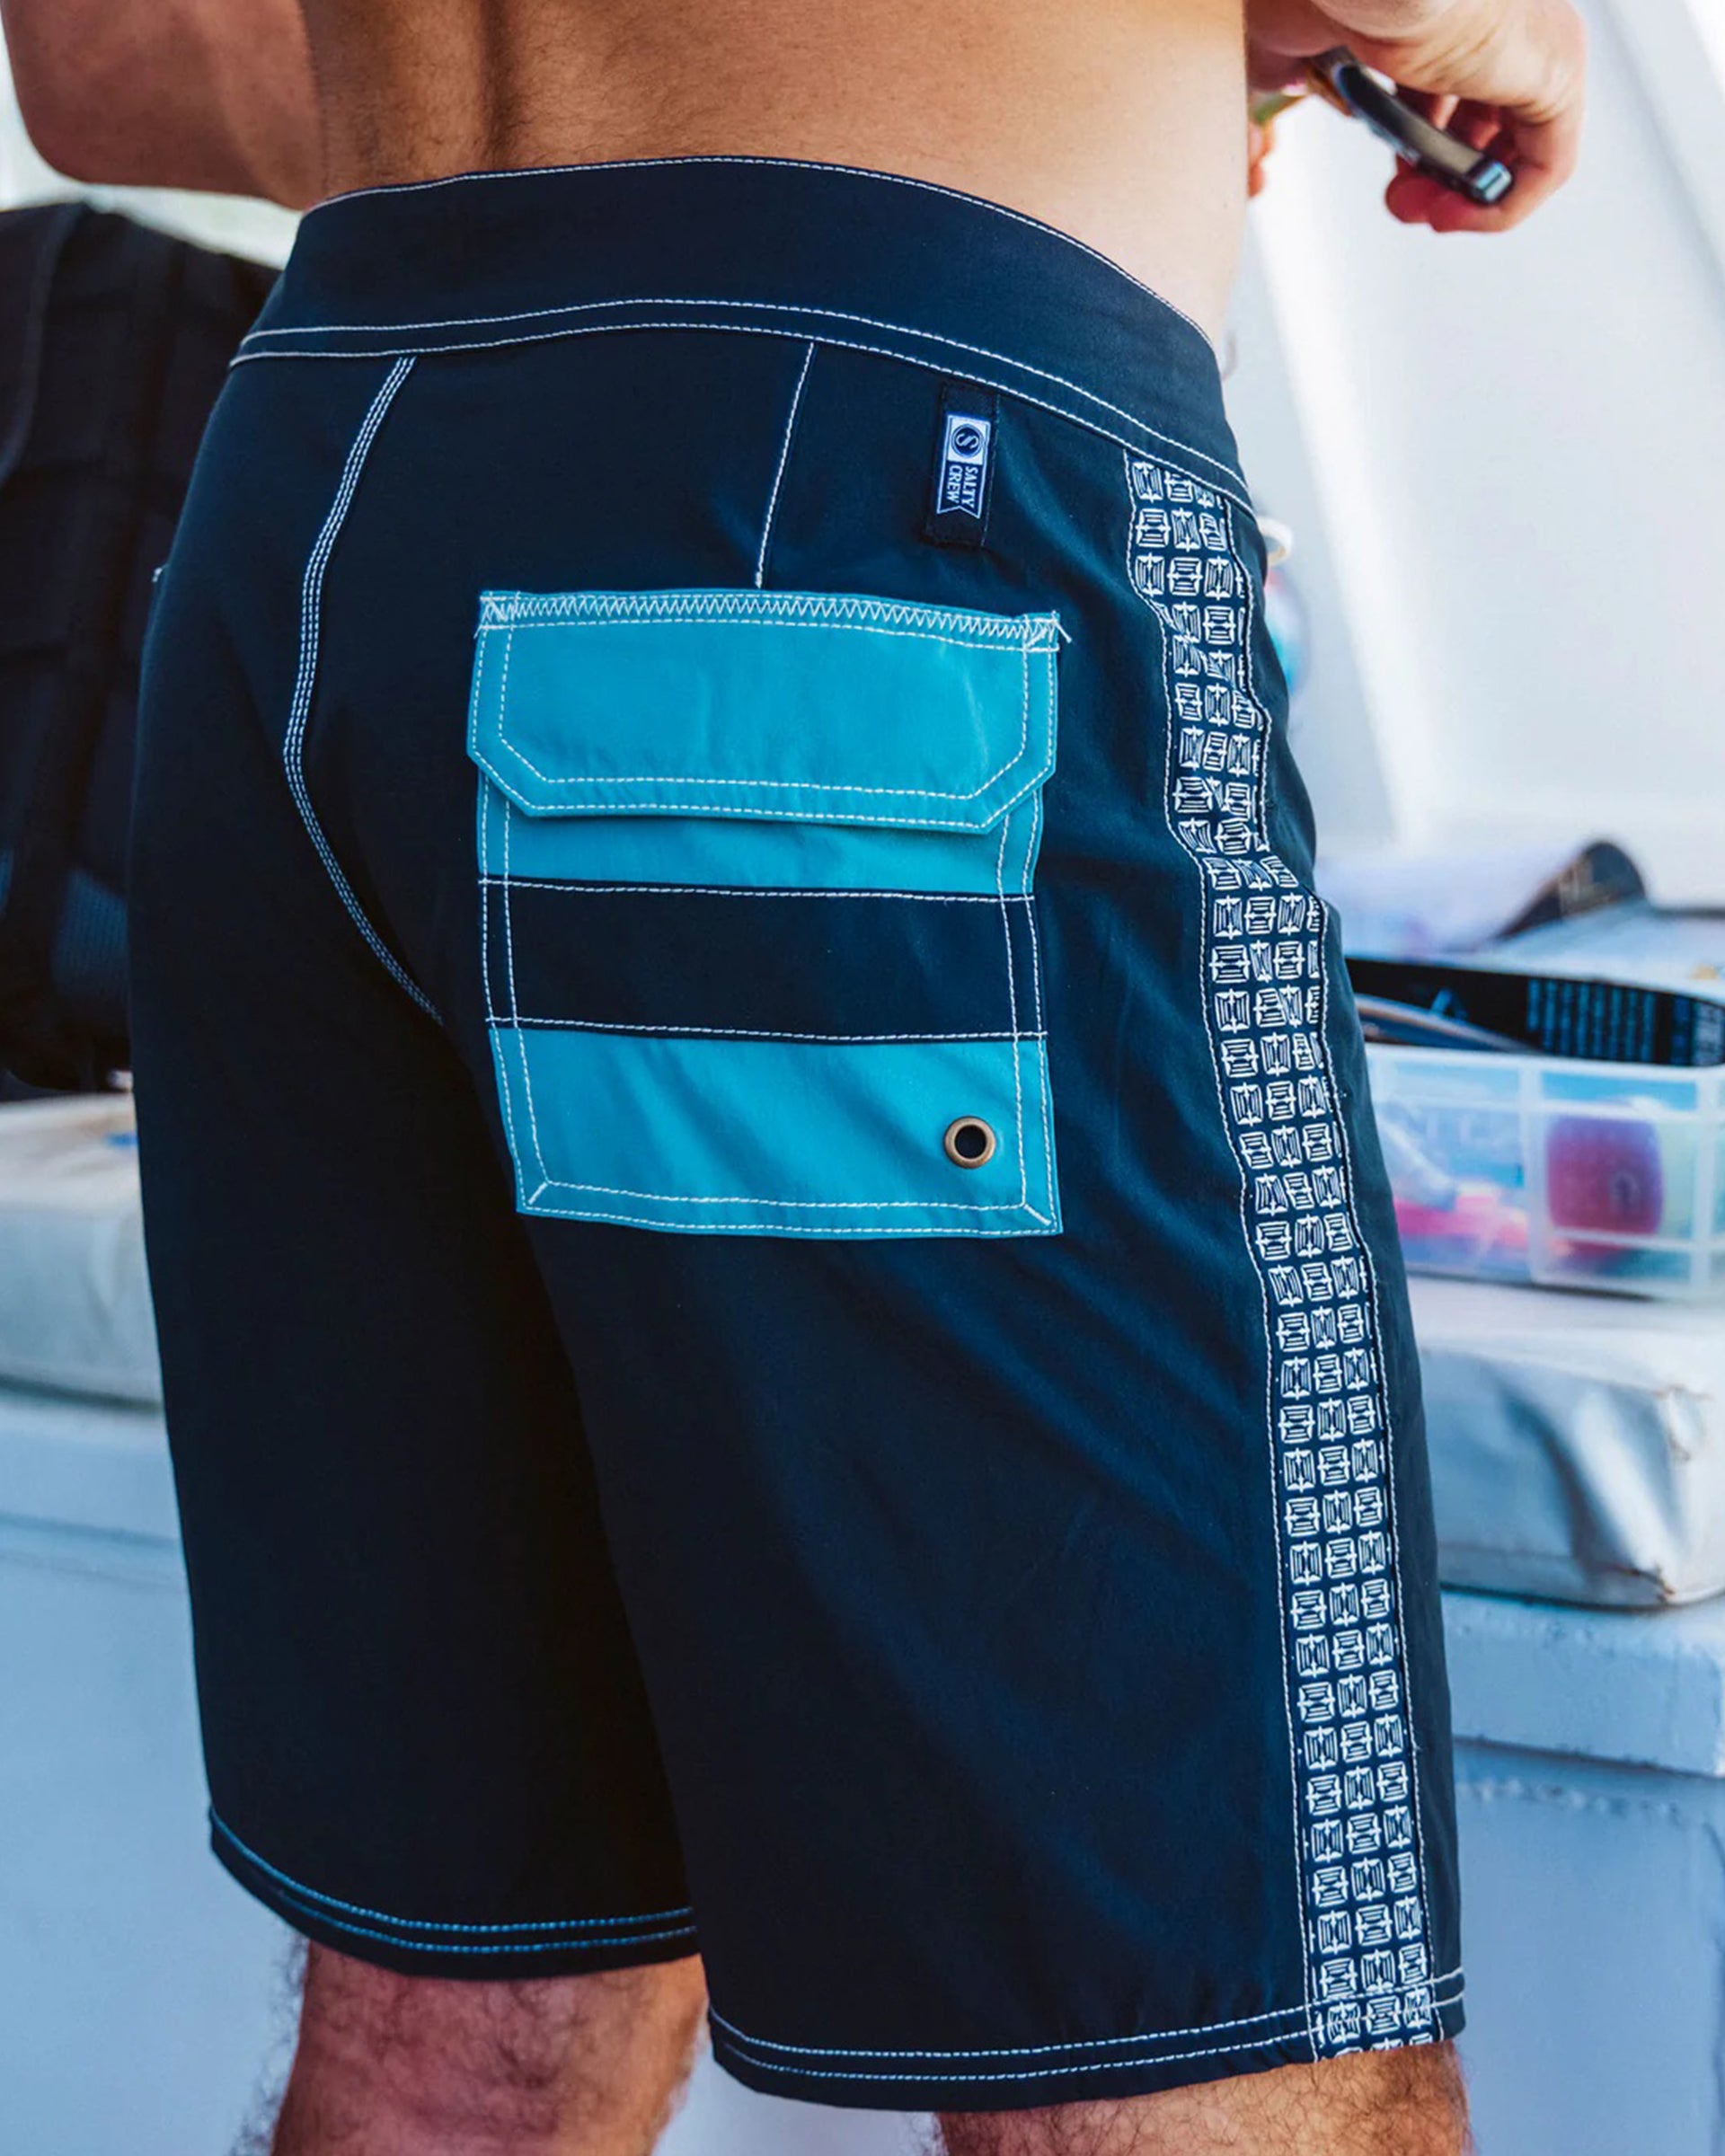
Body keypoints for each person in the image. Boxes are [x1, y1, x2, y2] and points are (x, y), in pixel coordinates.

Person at [2, 1, 1584, 2151]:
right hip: (870, 486)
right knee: (1209, 2025)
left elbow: (101, 57)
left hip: (333, 495)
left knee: (463, 2036)